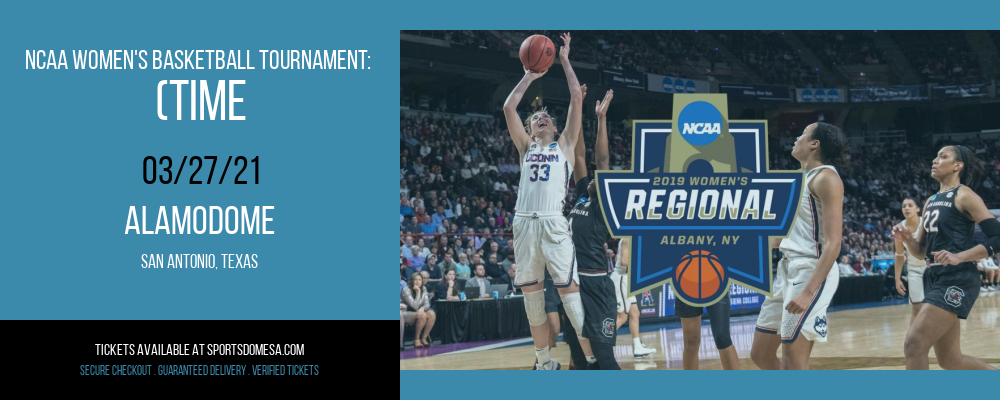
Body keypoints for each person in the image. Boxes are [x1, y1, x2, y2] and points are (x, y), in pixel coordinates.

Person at [503, 32, 586, 371]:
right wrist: (529, 75)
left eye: (546, 118)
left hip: (553, 221)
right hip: (524, 221)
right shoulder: (526, 148)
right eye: (537, 119)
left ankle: (594, 359)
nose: (542, 119)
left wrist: (565, 60)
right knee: (533, 301)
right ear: (531, 129)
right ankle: (544, 364)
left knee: (571, 294)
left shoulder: (564, 146)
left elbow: (576, 101)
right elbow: (509, 106)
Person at [751, 122, 847, 370]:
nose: (797, 137)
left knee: (794, 360)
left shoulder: (826, 177)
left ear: (815, 144)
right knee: (760, 354)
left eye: (803, 134)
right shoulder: (798, 180)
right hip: (786, 269)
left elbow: (834, 242)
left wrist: (808, 292)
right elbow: (782, 238)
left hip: (811, 270)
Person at [893, 145, 999, 370]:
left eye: (943, 157)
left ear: (957, 166)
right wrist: (908, 240)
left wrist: (960, 256)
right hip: (933, 276)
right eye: (936, 156)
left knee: (914, 344)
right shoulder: (931, 200)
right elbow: (921, 252)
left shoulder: (965, 195)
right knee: (950, 360)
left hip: (957, 278)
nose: (935, 160)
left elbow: (997, 238)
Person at [564, 88, 621, 369]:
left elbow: (601, 160)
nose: (591, 177)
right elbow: (579, 154)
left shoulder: (603, 206)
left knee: (604, 357)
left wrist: (601, 119)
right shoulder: (583, 197)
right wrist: (577, 107)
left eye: (599, 179)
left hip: (596, 284)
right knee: (578, 357)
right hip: (574, 284)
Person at [611, 237, 656, 358]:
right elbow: (624, 262)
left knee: (635, 313)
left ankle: (637, 347)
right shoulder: (627, 239)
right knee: (622, 317)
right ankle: (601, 344)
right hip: (621, 278)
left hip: (626, 279)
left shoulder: (632, 239)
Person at [893, 197, 926, 324]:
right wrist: (897, 279)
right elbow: (899, 255)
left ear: (917, 209)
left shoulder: (926, 223)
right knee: (917, 308)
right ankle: (914, 340)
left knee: (935, 307)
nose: (906, 208)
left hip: (932, 267)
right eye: (903, 206)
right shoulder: (899, 228)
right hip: (914, 270)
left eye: (910, 205)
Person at [401, 274, 436, 348]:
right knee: (423, 315)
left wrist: (422, 308)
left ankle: (423, 338)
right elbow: (414, 306)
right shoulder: (406, 290)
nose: (418, 282)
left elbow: (427, 304)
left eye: (420, 280)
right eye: (415, 279)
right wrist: (418, 292)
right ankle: (416, 339)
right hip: (406, 313)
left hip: (419, 311)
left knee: (432, 314)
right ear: (412, 281)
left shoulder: (424, 288)